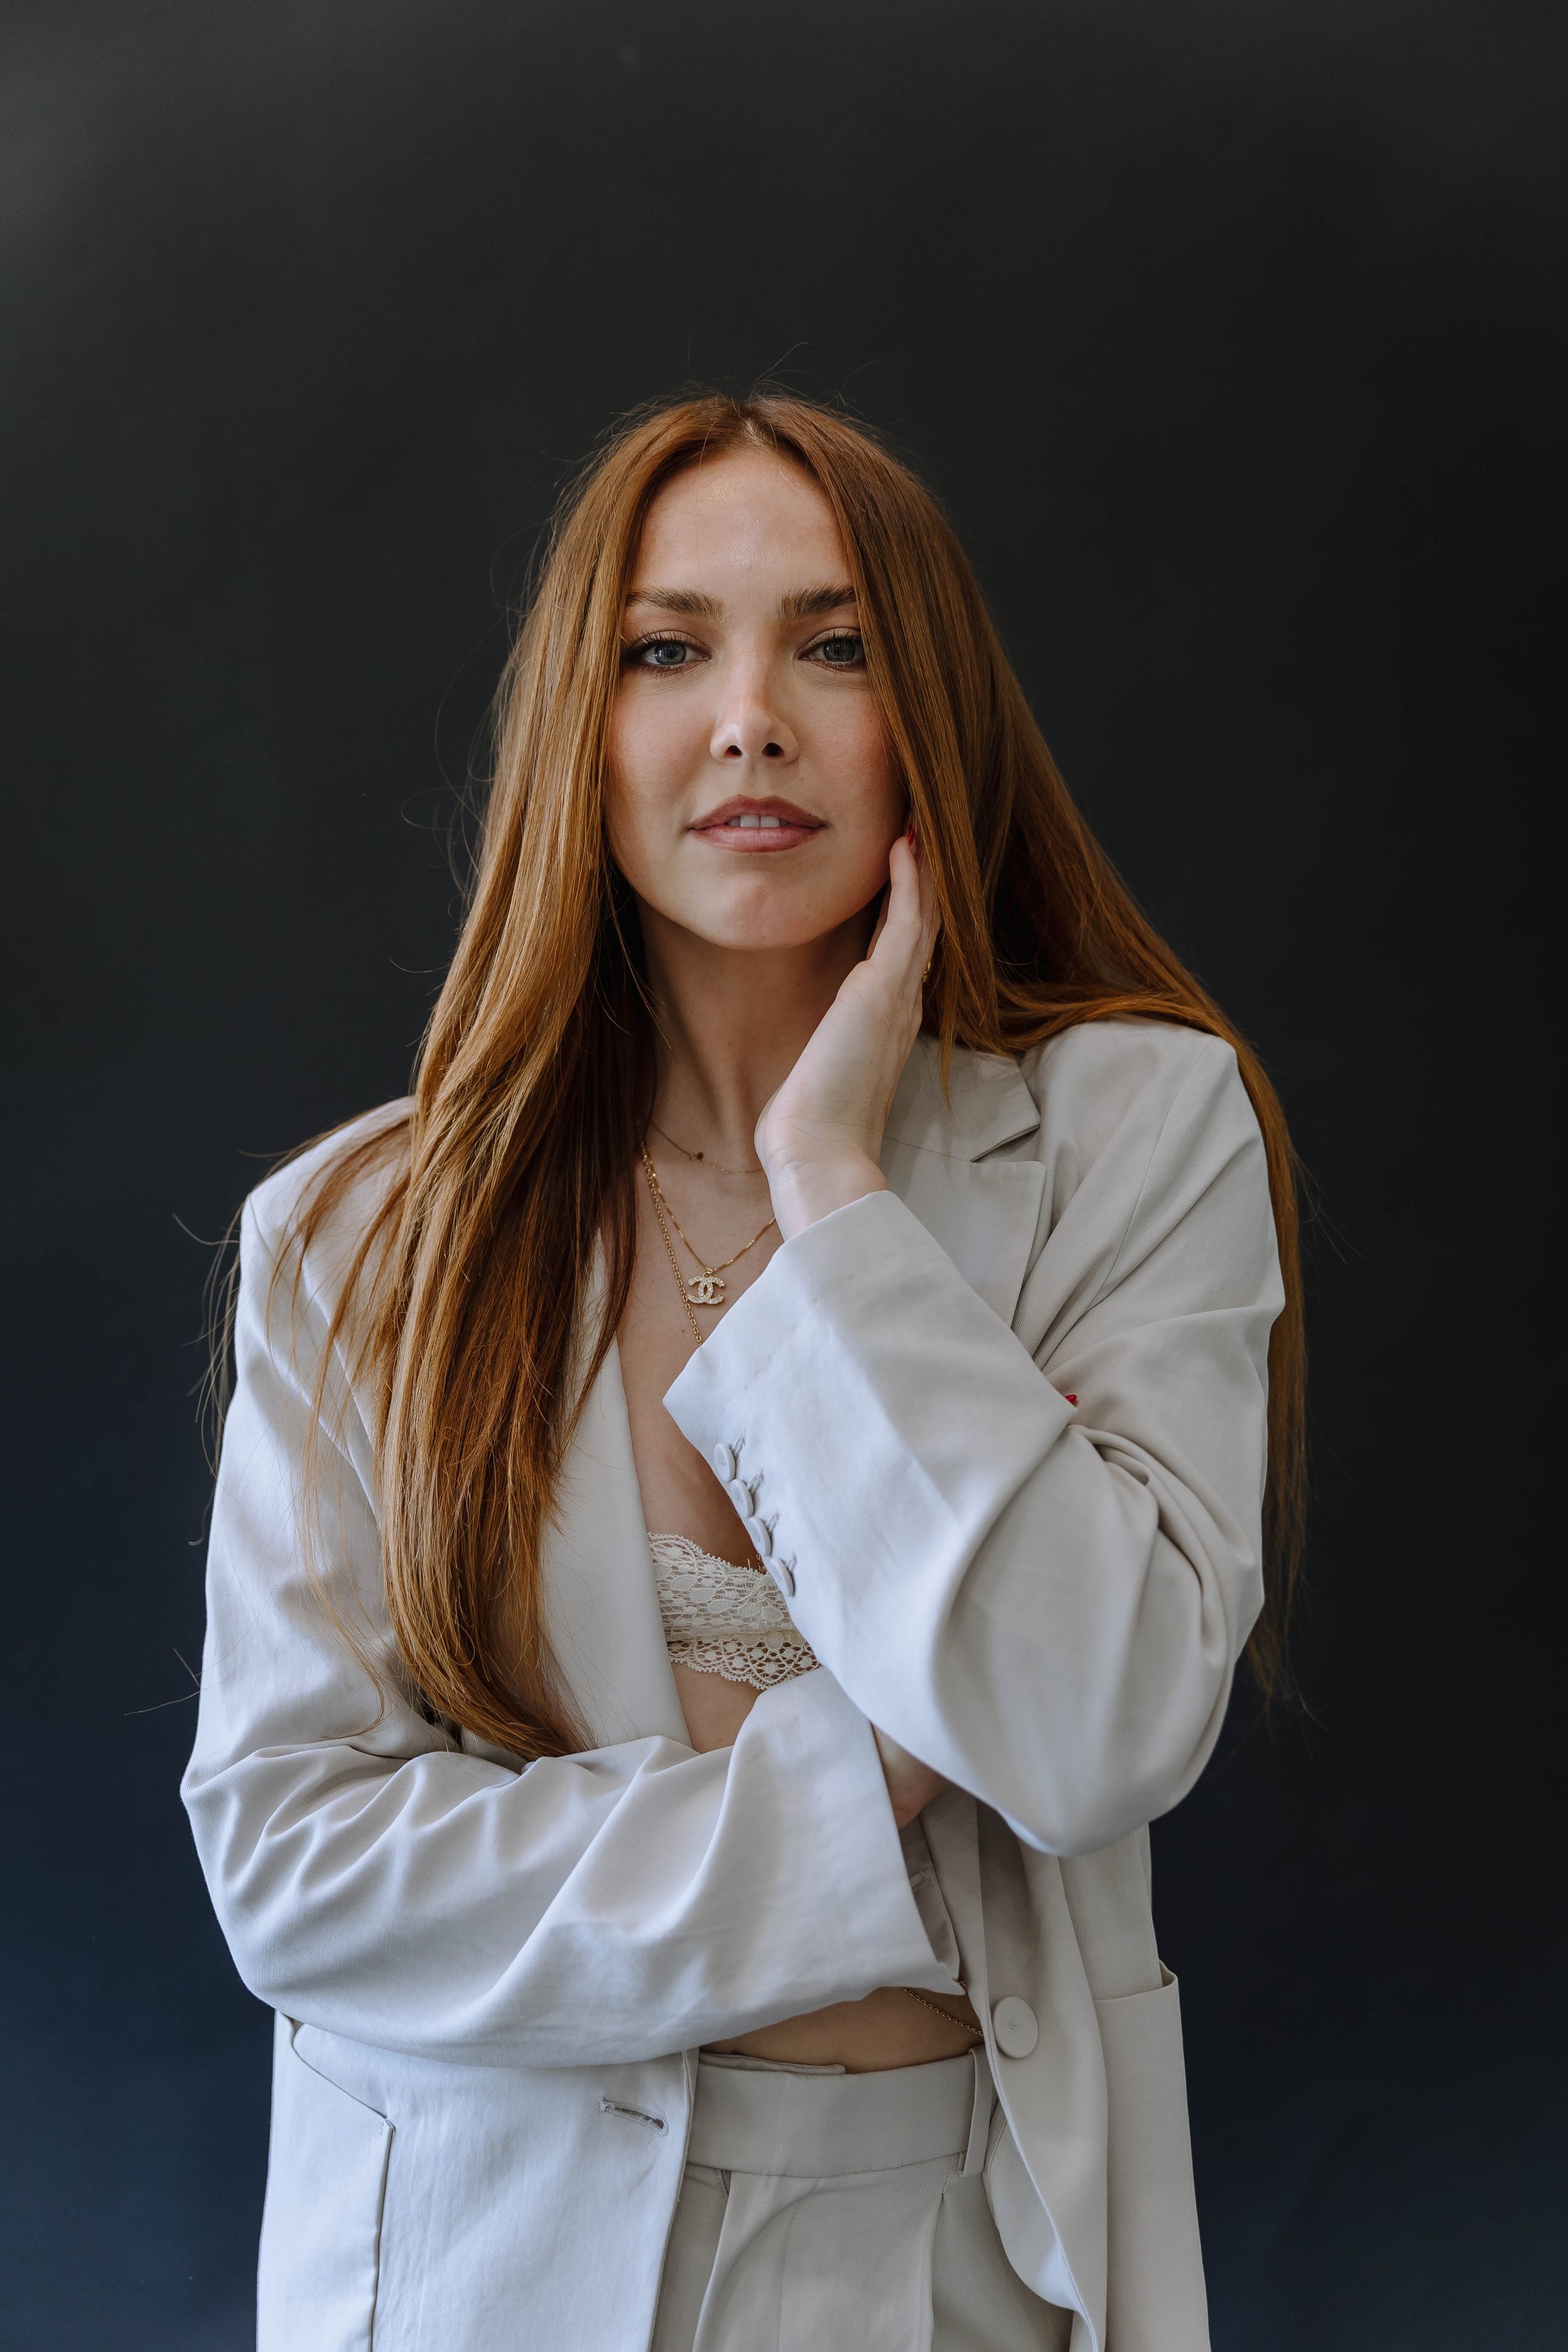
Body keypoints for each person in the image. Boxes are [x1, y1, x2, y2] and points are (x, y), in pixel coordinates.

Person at [183, 392, 1303, 2352]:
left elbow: (1098, 1727)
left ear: (926, 714)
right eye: (666, 650)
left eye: (836, 646)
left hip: (970, 2261)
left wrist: (830, 1184)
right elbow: (297, 1868)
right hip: (491, 2263)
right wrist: (864, 1787)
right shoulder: (358, 1233)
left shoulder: (1135, 1129)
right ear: (580, 721)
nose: (751, 721)